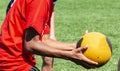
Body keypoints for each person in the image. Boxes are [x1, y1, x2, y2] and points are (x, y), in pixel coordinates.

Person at [0, 0, 98, 71]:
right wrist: (70, 56)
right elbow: (30, 44)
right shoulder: (41, 2)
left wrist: (77, 45)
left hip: (13, 63)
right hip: (12, 65)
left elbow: (44, 41)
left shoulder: (47, 2)